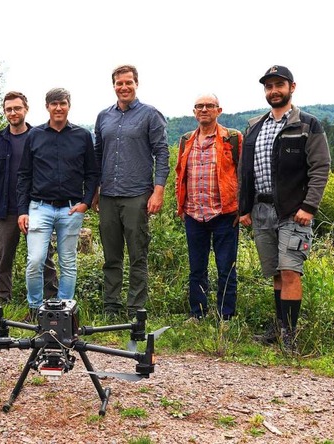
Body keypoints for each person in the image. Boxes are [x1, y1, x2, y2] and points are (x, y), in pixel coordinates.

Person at [239, 65, 330, 353]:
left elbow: (320, 167)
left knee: (290, 272)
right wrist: (245, 208)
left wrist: (309, 206)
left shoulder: (307, 125)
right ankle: (278, 329)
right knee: (276, 273)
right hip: (262, 209)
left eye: (279, 85)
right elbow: (246, 171)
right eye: (269, 86)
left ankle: (290, 336)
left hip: (294, 211)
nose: (274, 91)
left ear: (292, 87)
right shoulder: (255, 126)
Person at [93, 64, 170, 320]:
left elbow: (162, 152)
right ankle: (111, 307)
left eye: (128, 82)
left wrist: (158, 191)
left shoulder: (150, 115)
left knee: (138, 254)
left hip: (137, 194)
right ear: (113, 85)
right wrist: (94, 190)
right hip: (108, 196)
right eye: (119, 83)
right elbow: (97, 154)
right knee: (111, 255)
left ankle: (136, 308)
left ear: (136, 84)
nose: (123, 87)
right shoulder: (104, 116)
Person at [17, 88, 99, 319]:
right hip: (39, 207)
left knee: (68, 261)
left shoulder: (82, 136)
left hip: (71, 208)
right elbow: (24, 174)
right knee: (35, 260)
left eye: (62, 103)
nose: (58, 108)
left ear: (68, 106)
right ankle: (35, 309)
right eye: (54, 104)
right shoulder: (35, 136)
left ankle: (64, 311)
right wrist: (22, 211)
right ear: (47, 107)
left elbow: (92, 173)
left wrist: (85, 202)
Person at [0, 91, 58, 305]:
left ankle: (51, 302)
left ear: (26, 109)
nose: (13, 112)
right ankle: (3, 300)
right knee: (3, 257)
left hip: (36, 207)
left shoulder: (40, 136)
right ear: (4, 112)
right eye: (9, 109)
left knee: (43, 257)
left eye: (17, 108)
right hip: (5, 208)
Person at [175, 94, 242, 321]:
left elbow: (243, 174)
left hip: (224, 214)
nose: (204, 109)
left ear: (219, 110)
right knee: (197, 269)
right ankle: (198, 314)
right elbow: (180, 176)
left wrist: (241, 207)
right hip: (194, 213)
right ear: (194, 112)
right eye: (199, 106)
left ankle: (226, 317)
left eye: (209, 106)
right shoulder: (186, 140)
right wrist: (181, 207)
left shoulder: (232, 138)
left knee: (226, 268)